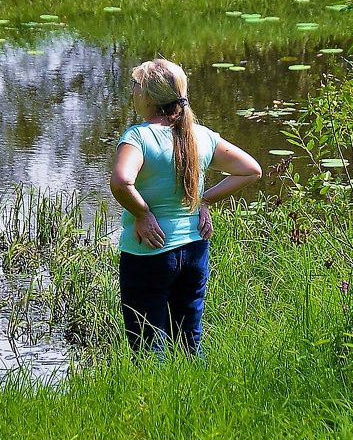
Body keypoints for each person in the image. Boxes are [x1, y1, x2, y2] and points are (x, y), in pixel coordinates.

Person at [109, 58, 262, 356]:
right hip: (194, 249)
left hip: (149, 252)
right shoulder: (201, 136)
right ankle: (199, 396)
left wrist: (142, 214)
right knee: (189, 343)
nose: (132, 90)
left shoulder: (138, 137)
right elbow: (251, 170)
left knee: (147, 347)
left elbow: (120, 182)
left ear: (148, 96)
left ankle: (151, 401)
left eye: (135, 85)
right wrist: (202, 200)